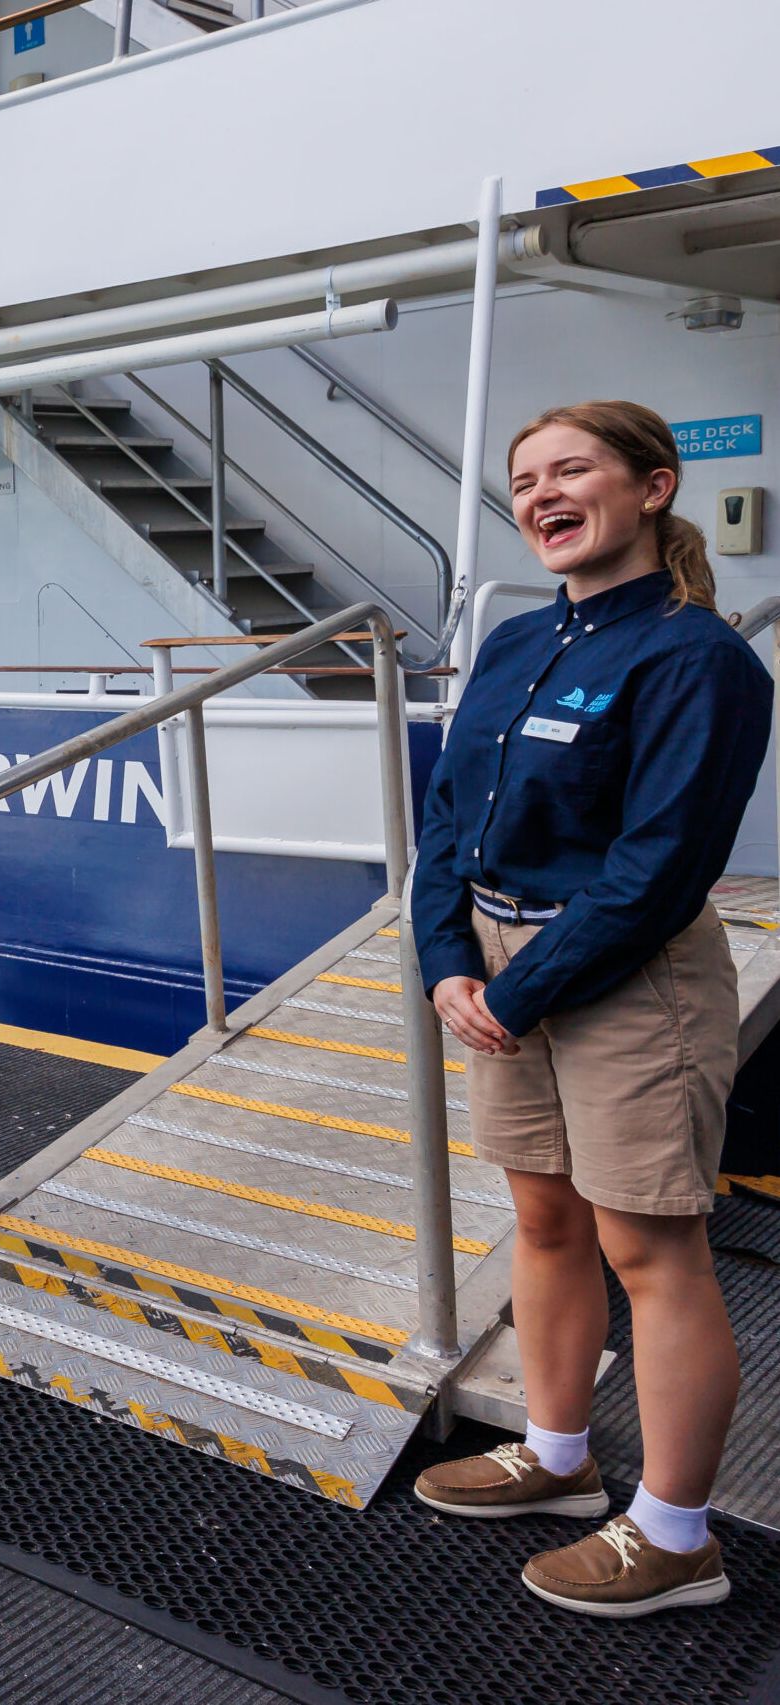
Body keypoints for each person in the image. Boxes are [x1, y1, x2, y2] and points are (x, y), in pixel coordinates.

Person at [410, 401, 770, 1619]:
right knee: (544, 1220)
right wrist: (445, 956)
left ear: (653, 488)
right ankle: (557, 1459)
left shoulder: (700, 658)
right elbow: (449, 815)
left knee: (650, 1247)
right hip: (501, 960)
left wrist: (516, 989)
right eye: (526, 479)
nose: (543, 493)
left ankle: (676, 1536)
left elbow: (662, 863)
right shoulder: (515, 640)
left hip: (629, 973)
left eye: (574, 469)